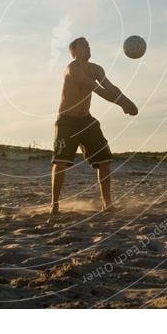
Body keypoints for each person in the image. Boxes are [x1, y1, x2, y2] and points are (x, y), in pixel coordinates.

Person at [50, 37, 138, 215]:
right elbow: (97, 89)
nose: (88, 47)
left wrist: (128, 102)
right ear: (73, 51)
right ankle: (55, 205)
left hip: (86, 120)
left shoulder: (96, 69)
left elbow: (110, 87)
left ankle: (107, 204)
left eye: (89, 45)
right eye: (83, 45)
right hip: (67, 121)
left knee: (104, 160)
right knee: (60, 162)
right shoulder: (72, 69)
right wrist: (123, 104)